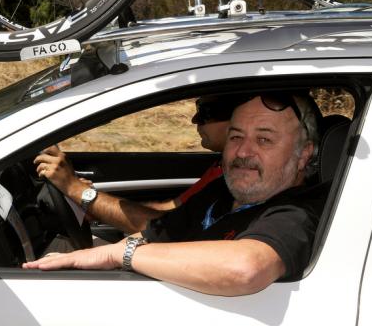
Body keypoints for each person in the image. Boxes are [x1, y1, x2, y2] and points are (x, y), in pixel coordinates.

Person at [24, 91, 324, 296]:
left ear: (303, 154)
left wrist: (117, 254)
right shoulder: (222, 192)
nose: (243, 152)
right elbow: (158, 232)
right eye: (235, 137)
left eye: (264, 140)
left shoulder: (298, 211)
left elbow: (246, 268)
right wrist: (88, 257)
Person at [33, 95, 231, 234]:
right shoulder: (221, 167)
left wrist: (76, 189)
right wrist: (96, 207)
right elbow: (169, 211)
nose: (194, 119)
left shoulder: (235, 180)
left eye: (206, 112)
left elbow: (162, 226)